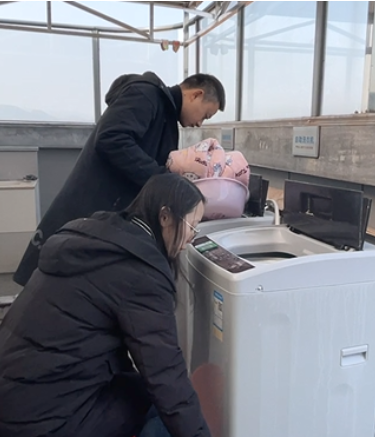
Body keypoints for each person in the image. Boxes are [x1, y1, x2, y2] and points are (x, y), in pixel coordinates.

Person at [0, 173, 210, 437]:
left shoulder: (99, 239)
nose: (191, 238)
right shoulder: (139, 272)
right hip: (34, 420)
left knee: (148, 394)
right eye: (192, 226)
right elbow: (166, 375)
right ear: (165, 217)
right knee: (165, 415)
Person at [13, 71, 225, 286]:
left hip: (105, 214)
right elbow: (112, 138)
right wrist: (161, 177)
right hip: (94, 204)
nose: (200, 124)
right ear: (196, 95)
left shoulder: (165, 115)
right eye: (205, 115)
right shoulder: (146, 94)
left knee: (77, 282)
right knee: (58, 278)